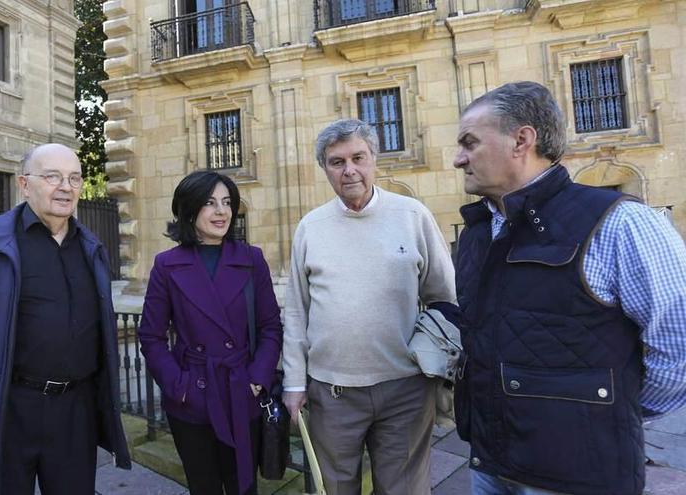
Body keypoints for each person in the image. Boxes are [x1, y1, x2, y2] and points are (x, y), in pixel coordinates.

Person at [452, 81, 686, 495]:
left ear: (522, 140)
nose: (458, 159)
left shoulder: (621, 222)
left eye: (470, 143)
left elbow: (678, 347)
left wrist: (606, 411)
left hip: (579, 472)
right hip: (489, 463)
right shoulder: (476, 233)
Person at [0, 143, 131, 494]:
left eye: (74, 178)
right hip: (8, 409)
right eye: (52, 176)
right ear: (25, 184)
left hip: (75, 411)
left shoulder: (91, 248)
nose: (65, 187)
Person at [282, 119, 458, 495]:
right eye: (336, 162)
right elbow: (297, 312)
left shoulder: (413, 216)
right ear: (325, 168)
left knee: (404, 490)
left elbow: (445, 298)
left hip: (406, 390)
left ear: (374, 159)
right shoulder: (311, 227)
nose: (349, 170)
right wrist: (294, 383)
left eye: (358, 157)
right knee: (334, 488)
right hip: (332, 394)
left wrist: (438, 368)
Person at [139, 170, 283, 495]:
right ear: (189, 209)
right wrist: (180, 386)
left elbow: (270, 326)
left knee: (243, 487)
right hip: (193, 397)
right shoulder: (167, 264)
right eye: (210, 203)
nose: (222, 211)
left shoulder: (251, 259)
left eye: (227, 202)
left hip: (241, 390)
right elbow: (151, 336)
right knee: (202, 487)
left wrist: (257, 379)